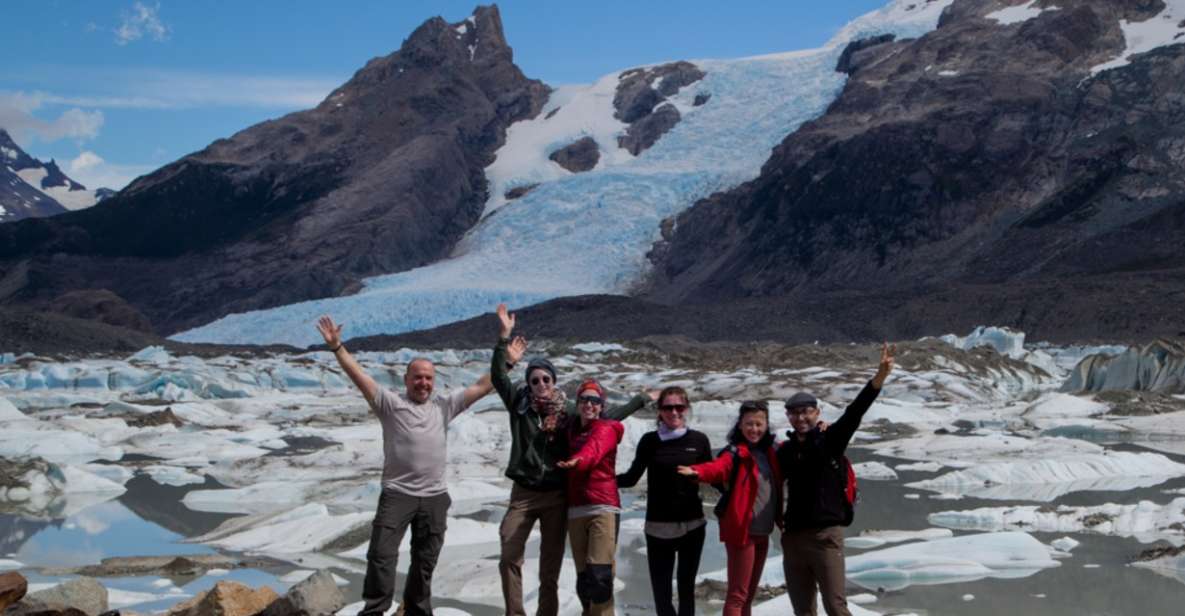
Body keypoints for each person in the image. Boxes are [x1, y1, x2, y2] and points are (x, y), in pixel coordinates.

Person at [315, 315, 493, 616]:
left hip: (435, 497)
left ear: (434, 382)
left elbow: (482, 386)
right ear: (406, 380)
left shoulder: (444, 406)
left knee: (425, 562)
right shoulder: (390, 404)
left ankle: (417, 612)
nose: (423, 383)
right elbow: (359, 376)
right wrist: (337, 348)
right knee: (381, 555)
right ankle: (375, 610)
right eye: (417, 377)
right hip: (398, 493)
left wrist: (507, 357)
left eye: (428, 378)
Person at [490, 304, 654, 616]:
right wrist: (503, 340)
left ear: (554, 382)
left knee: (549, 568)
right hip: (523, 494)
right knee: (509, 554)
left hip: (556, 496)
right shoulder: (519, 405)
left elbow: (603, 418)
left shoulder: (567, 414)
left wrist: (638, 401)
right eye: (535, 380)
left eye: (546, 379)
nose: (540, 385)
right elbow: (498, 377)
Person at [777, 343, 895, 616]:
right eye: (795, 413)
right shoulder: (786, 451)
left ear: (817, 413)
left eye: (807, 411)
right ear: (788, 417)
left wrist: (879, 378)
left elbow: (856, 411)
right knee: (803, 610)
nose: (801, 417)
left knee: (836, 607)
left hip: (825, 537)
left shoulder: (831, 440)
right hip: (793, 539)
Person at [677, 400, 782, 616]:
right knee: (737, 596)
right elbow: (718, 467)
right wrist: (698, 472)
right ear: (740, 426)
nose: (754, 429)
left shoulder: (770, 452)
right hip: (743, 533)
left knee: (748, 596)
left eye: (759, 424)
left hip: (763, 532)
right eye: (749, 424)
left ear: (766, 425)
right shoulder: (735, 453)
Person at [617, 386, 712, 616]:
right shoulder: (650, 441)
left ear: (686, 408)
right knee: (661, 593)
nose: (674, 412)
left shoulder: (699, 440)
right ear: (660, 411)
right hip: (658, 528)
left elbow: (713, 475)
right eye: (668, 407)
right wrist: (598, 480)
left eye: (679, 407)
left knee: (686, 589)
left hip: (693, 526)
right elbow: (631, 478)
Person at [556, 379, 625, 616]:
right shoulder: (571, 428)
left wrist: (578, 461)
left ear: (601, 405)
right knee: (585, 580)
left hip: (603, 507)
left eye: (594, 400)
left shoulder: (606, 428)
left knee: (600, 576)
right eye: (584, 399)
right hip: (576, 509)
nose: (589, 404)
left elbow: (593, 450)